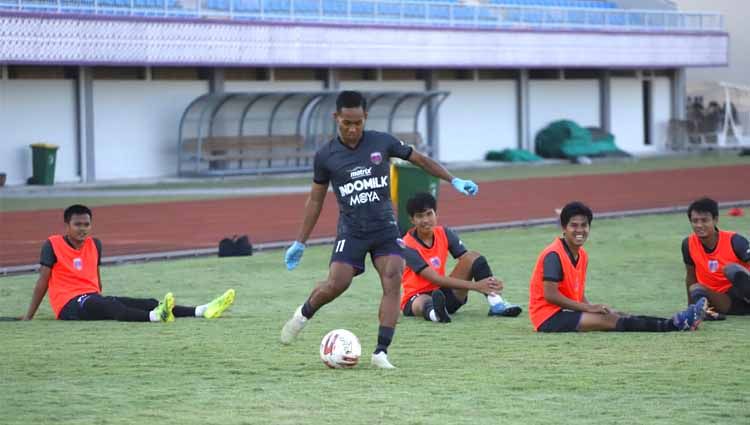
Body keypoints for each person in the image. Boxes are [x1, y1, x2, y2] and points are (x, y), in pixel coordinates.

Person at [280, 90, 479, 369]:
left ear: (365, 118)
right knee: (337, 283)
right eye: (346, 123)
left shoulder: (381, 142)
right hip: (352, 230)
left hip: (385, 228)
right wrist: (300, 241)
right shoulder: (325, 156)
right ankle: (302, 314)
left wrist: (453, 179)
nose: (352, 129)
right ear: (336, 118)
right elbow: (315, 198)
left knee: (392, 276)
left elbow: (419, 160)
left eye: (357, 122)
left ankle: (380, 352)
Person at [22, 204, 235, 322]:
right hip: (68, 306)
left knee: (149, 301)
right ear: (67, 225)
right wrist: (28, 316)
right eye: (77, 224)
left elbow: (95, 276)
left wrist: (97, 294)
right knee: (111, 306)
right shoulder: (52, 244)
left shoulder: (95, 244)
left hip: (91, 297)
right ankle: (155, 318)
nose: (82, 229)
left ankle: (202, 310)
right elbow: (42, 281)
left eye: (86, 224)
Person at [529, 201, 707, 333]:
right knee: (610, 320)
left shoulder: (582, 255)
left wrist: (592, 306)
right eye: (573, 226)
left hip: (565, 312)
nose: (580, 230)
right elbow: (550, 295)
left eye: (584, 225)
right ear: (564, 227)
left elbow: (575, 291)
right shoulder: (553, 254)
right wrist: (589, 309)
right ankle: (673, 325)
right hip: (548, 319)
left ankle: (677, 320)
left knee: (618, 314)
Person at [400, 192, 522, 323]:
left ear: (436, 214)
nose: (425, 220)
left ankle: (496, 304)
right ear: (412, 220)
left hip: (444, 293)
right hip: (416, 298)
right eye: (419, 216)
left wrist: (490, 283)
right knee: (423, 300)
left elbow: (468, 261)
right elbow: (435, 279)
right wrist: (476, 286)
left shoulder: (444, 233)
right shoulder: (407, 245)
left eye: (429, 214)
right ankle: (436, 314)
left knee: (473, 257)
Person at [682, 197, 750, 320]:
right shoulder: (688, 244)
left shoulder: (735, 240)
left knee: (731, 269)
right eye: (695, 221)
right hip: (724, 302)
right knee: (695, 288)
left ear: (715, 220)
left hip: (743, 292)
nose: (699, 225)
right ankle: (708, 314)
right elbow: (690, 276)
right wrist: (690, 307)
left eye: (704, 220)